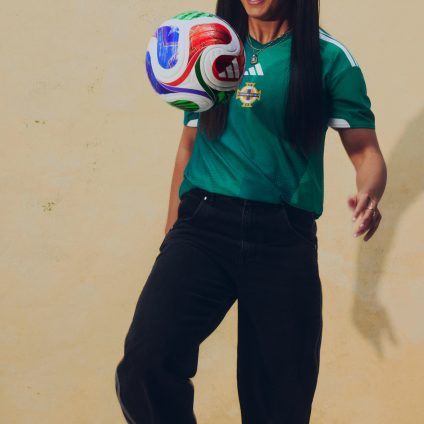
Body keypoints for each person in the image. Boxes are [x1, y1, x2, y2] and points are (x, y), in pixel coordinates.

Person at [114, 0, 387, 423]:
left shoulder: (329, 57)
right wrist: (172, 235)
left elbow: (366, 152)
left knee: (280, 403)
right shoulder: (208, 45)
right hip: (203, 227)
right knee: (145, 363)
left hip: (283, 238)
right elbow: (188, 145)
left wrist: (370, 191)